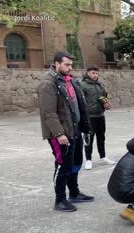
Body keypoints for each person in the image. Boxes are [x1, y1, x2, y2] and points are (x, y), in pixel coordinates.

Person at [38, 51, 95, 212]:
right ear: (56, 64)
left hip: (74, 129)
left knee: (75, 163)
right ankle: (60, 200)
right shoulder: (48, 83)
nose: (70, 68)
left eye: (71, 65)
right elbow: (48, 113)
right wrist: (59, 134)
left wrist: (85, 127)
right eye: (67, 64)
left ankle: (74, 193)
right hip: (60, 133)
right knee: (63, 165)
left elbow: (79, 105)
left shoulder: (70, 81)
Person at [80, 65, 115, 170]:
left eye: (96, 73)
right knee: (88, 139)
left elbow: (104, 97)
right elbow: (80, 101)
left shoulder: (100, 84)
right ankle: (88, 160)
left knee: (101, 137)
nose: (95, 75)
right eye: (92, 73)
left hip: (100, 115)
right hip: (88, 117)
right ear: (88, 73)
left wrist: (107, 104)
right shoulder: (82, 85)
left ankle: (103, 156)